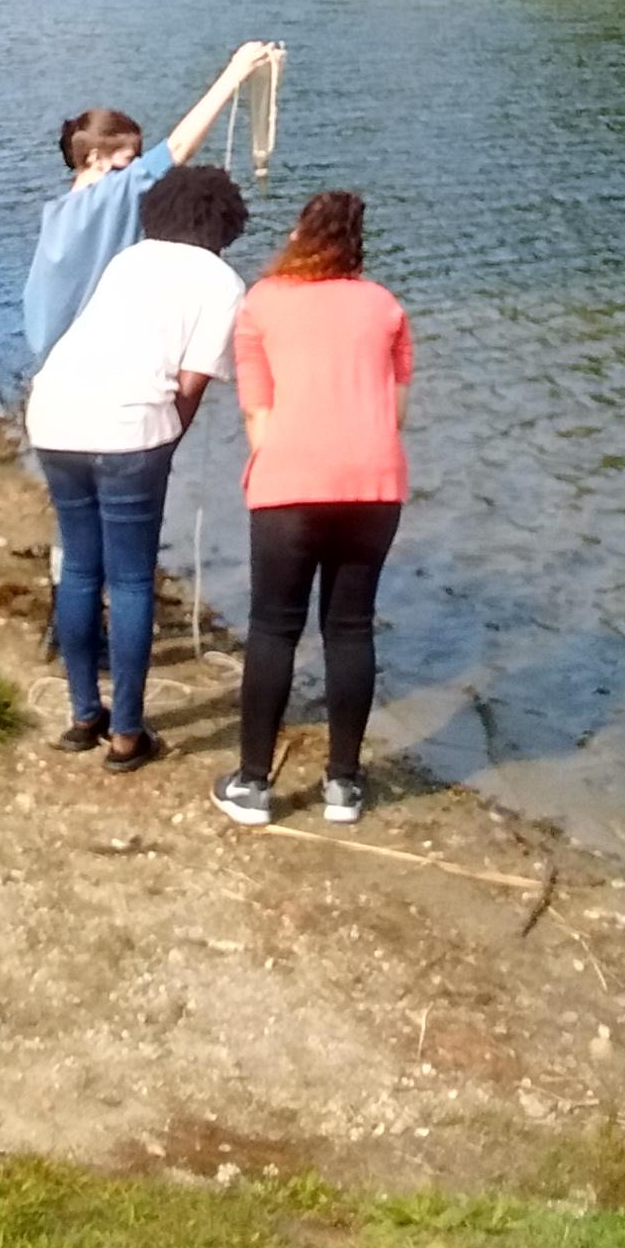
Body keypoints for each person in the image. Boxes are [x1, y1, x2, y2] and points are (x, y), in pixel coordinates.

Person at [28, 163, 250, 773]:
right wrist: (166, 440)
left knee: (79, 567)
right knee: (129, 581)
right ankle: (126, 733)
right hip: (130, 429)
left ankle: (81, 716)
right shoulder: (223, 281)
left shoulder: (129, 259)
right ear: (226, 225)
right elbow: (190, 382)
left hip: (52, 413)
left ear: (157, 212)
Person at [214, 190, 411, 830]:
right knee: (350, 628)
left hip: (290, 484)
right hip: (374, 485)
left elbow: (257, 414)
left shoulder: (262, 303)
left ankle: (251, 786)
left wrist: (287, 465)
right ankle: (344, 787)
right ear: (358, 246)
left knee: (274, 628)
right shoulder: (386, 307)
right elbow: (396, 413)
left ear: (300, 234)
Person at [23, 41, 276, 361]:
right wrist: (234, 73)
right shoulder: (111, 197)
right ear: (95, 158)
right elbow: (180, 146)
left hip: (50, 364)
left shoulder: (55, 214)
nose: (138, 172)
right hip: (91, 363)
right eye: (129, 161)